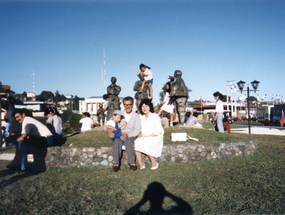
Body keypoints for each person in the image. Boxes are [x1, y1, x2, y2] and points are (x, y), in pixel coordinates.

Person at [105, 96, 141, 172]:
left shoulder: (137, 116)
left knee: (128, 141)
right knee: (116, 141)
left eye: (129, 104)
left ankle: (132, 164)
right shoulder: (120, 114)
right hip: (120, 134)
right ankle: (116, 164)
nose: (127, 106)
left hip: (131, 135)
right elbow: (108, 124)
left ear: (132, 105)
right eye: (125, 105)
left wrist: (128, 135)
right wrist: (108, 130)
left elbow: (137, 130)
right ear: (123, 105)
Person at [134, 99, 164, 170]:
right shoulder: (141, 117)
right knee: (136, 142)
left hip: (155, 136)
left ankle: (154, 162)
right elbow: (139, 127)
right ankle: (141, 164)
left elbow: (158, 130)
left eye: (146, 106)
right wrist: (140, 132)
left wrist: (150, 136)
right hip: (144, 136)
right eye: (143, 106)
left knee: (145, 142)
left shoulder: (154, 116)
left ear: (150, 107)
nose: (144, 108)